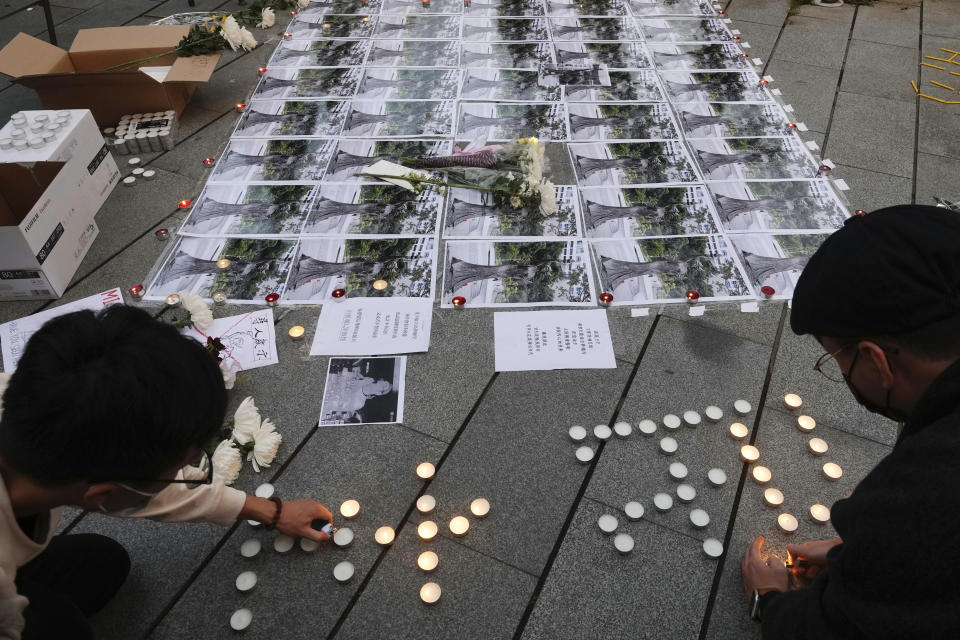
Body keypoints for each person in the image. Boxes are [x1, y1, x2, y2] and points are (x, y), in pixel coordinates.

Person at [0, 306, 335, 640]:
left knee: (101, 565)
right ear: (101, 496)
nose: (184, 475)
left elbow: (147, 483)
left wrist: (271, 511)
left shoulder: (35, 401)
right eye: (177, 470)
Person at [740, 204, 960, 638]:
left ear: (877, 361)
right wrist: (862, 558)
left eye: (837, 358)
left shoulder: (921, 497)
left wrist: (770, 601)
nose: (841, 372)